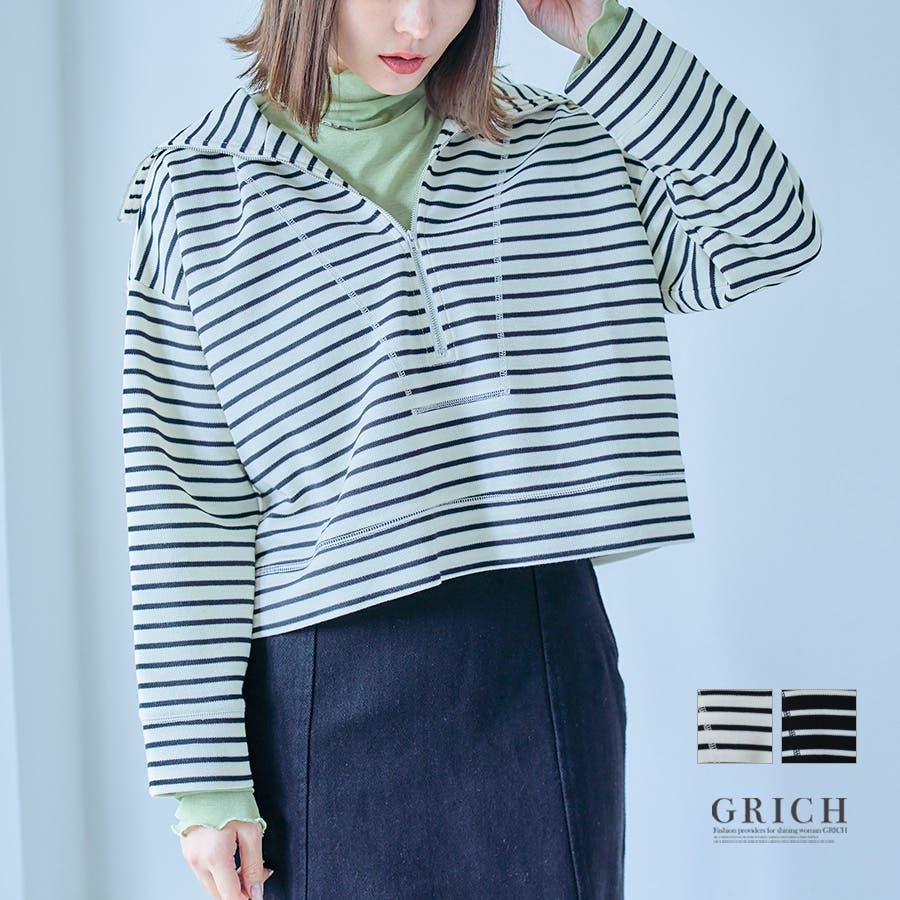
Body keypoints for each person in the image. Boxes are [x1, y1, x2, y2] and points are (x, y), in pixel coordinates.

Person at [117, 1, 822, 898]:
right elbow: (187, 501)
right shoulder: (196, 191)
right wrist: (204, 780)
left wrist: (602, 30)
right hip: (327, 673)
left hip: (537, 650)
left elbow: (770, 233)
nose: (418, 23)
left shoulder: (557, 149)